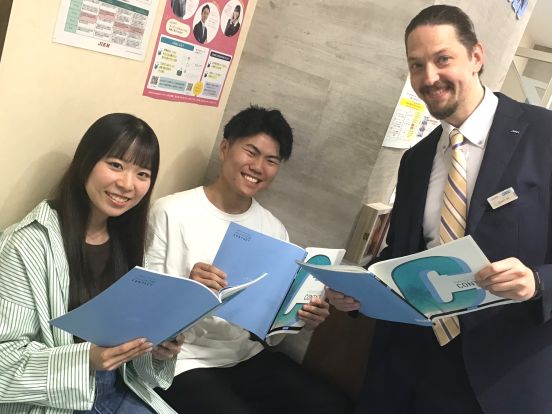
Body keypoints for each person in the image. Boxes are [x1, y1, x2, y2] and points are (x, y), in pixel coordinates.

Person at [328, 4, 552, 414]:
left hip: (497, 374)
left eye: (442, 59)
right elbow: (403, 254)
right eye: (417, 65)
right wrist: (358, 289)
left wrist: (537, 282)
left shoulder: (544, 135)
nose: (429, 77)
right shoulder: (416, 160)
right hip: (407, 360)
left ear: (476, 56)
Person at [146, 105, 351, 413]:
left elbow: (272, 332)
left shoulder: (273, 229)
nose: (258, 167)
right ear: (224, 148)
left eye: (271, 160)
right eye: (251, 152)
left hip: (245, 354)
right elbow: (146, 306)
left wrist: (301, 318)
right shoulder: (171, 212)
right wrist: (190, 289)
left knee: (331, 404)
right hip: (183, 359)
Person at [0, 113, 184, 414]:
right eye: (116, 165)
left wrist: (157, 350)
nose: (127, 184)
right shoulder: (26, 244)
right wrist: (87, 359)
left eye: (142, 173)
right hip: (56, 402)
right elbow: (3, 362)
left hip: (118, 388)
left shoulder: (128, 242)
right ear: (86, 161)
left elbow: (132, 355)